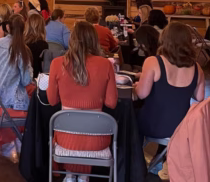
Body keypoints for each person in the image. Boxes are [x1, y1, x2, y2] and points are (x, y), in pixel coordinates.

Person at [47, 21, 118, 182]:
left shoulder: (57, 63)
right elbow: (111, 103)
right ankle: (83, 176)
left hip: (66, 139)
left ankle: (71, 175)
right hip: (97, 139)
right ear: (94, 40)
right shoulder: (105, 64)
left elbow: (51, 101)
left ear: (72, 39)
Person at [134, 22, 204, 175]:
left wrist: (138, 84)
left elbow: (141, 94)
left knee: (131, 117)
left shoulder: (153, 62)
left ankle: (135, 165)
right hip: (180, 129)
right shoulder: (197, 67)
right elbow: (199, 98)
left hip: (153, 125)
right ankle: (161, 160)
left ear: (164, 39)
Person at [0, 14, 35, 155]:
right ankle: (23, 139)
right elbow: (26, 81)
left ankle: (5, 139)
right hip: (5, 105)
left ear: (7, 27)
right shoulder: (22, 50)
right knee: (35, 99)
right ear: (24, 30)